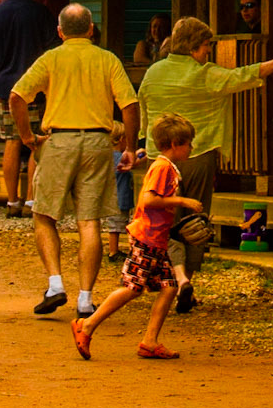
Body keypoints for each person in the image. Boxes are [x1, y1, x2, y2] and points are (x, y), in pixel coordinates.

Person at [136, 17, 273, 311]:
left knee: (165, 223)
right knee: (195, 222)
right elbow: (244, 76)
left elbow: (144, 110)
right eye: (205, 47)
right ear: (192, 47)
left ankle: (175, 280)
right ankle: (185, 281)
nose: (208, 53)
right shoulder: (205, 74)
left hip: (160, 159)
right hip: (199, 154)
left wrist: (143, 144)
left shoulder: (153, 73)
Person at [10, 2, 139, 321]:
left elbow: (16, 98)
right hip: (98, 142)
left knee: (44, 214)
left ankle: (55, 284)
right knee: (89, 220)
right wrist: (131, 148)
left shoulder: (51, 58)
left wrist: (27, 138)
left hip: (59, 141)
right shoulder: (107, 59)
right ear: (91, 29)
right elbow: (130, 105)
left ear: (60, 31)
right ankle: (85, 298)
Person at [72, 112, 204, 362]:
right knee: (132, 288)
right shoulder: (163, 167)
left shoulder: (167, 166)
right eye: (188, 143)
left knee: (169, 288)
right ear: (176, 144)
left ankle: (150, 341)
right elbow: (148, 199)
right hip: (147, 238)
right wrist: (182, 201)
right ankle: (87, 325)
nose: (191, 148)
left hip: (157, 239)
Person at [0, 0, 56, 217]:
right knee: (36, 142)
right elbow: (53, 51)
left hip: (6, 88)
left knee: (11, 141)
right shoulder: (41, 13)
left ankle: (13, 201)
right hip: (35, 89)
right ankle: (32, 200)